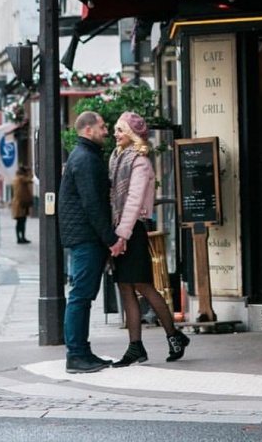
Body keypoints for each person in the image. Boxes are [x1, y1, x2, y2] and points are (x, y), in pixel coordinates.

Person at [108, 111, 190, 366]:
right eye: (115, 129)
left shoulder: (140, 162)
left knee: (143, 285)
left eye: (120, 130)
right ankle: (135, 347)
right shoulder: (116, 158)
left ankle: (174, 335)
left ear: (131, 134)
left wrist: (122, 235)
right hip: (120, 229)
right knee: (125, 287)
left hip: (133, 230)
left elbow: (133, 202)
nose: (115, 134)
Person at [58, 110, 120, 374]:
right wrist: (110, 239)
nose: (106, 131)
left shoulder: (84, 155)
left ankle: (82, 351)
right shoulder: (86, 159)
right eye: (102, 127)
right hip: (86, 237)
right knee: (81, 297)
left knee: (82, 297)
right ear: (87, 130)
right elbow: (93, 204)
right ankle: (76, 355)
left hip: (84, 236)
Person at [11, 164, 34, 243]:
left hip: (18, 203)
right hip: (21, 204)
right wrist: (30, 172)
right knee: (22, 221)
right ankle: (21, 238)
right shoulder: (21, 179)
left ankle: (20, 238)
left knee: (20, 222)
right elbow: (31, 179)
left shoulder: (16, 179)